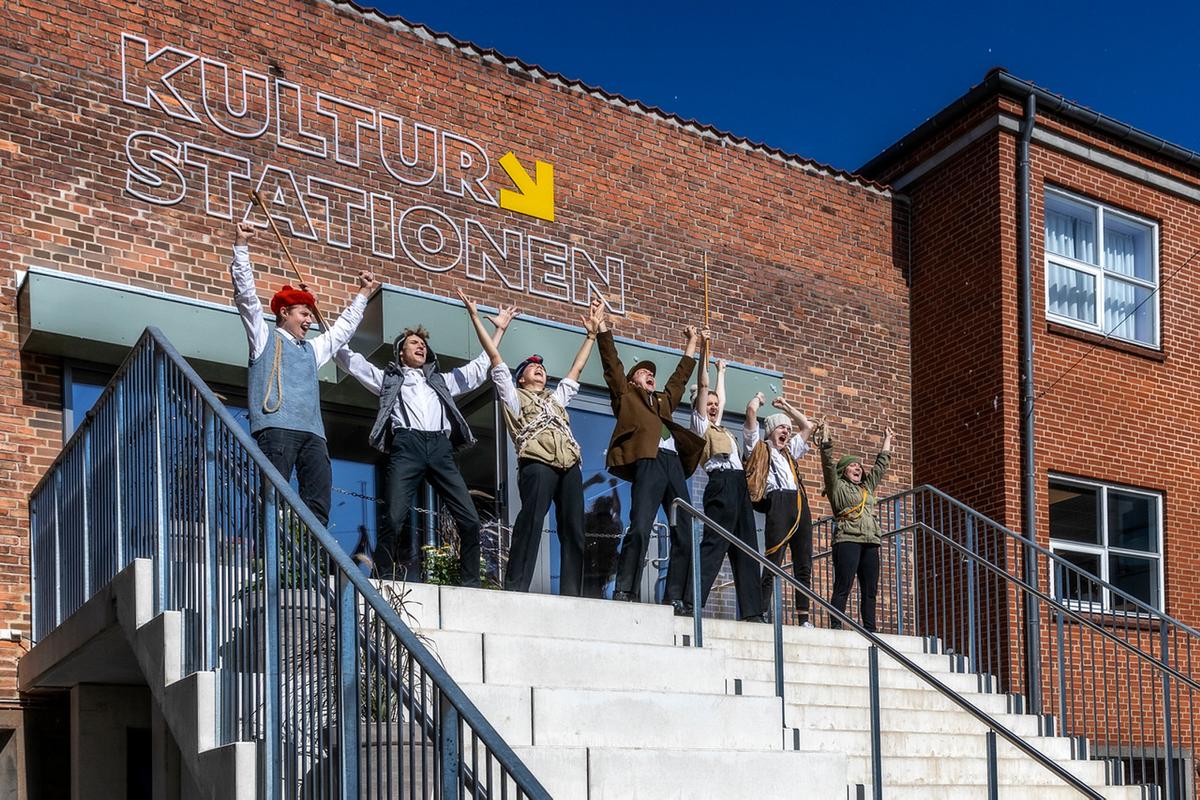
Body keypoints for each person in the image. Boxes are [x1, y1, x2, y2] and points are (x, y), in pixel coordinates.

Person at [334, 300, 516, 586]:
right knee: (394, 518)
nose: (421, 347)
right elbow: (350, 361)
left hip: (440, 448)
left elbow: (480, 367)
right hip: (407, 446)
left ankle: (470, 584)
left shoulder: (442, 381)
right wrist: (331, 331)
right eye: (414, 343)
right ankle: (382, 579)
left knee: (469, 520)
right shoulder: (388, 380)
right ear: (400, 352)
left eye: (423, 344)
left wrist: (500, 331)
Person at [230, 220, 377, 528]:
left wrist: (363, 293)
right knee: (272, 498)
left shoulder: (313, 349)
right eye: (304, 313)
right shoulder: (264, 338)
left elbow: (342, 330)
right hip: (276, 428)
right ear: (284, 312)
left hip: (313, 435)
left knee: (318, 502)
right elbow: (246, 297)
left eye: (310, 314)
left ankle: (315, 554)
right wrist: (241, 247)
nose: (310, 320)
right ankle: (265, 552)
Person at [458, 289, 604, 595]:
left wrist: (591, 336)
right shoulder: (514, 397)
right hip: (537, 462)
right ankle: (516, 586)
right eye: (531, 367)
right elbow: (495, 358)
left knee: (574, 528)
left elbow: (576, 370)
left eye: (542, 368)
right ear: (521, 378)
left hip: (568, 465)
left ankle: (572, 593)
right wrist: (479, 319)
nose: (539, 368)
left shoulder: (556, 399)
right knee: (531, 522)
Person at [596, 317, 704, 612]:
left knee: (685, 530)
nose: (650, 375)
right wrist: (603, 328)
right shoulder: (626, 395)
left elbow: (680, 378)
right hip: (649, 460)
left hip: (673, 463)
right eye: (643, 372)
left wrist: (692, 342)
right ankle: (625, 589)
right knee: (641, 526)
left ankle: (675, 596)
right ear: (633, 380)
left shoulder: (663, 401)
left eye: (652, 373)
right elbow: (612, 364)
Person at [689, 346, 764, 621]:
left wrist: (721, 372)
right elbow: (703, 386)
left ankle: (752, 611)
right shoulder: (699, 426)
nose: (713, 406)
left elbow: (720, 398)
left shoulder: (720, 427)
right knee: (714, 545)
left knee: (747, 548)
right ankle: (693, 600)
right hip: (721, 483)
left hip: (739, 484)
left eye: (714, 404)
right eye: (707, 404)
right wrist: (704, 355)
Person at [813, 421, 893, 633]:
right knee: (844, 585)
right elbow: (827, 464)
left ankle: (870, 629)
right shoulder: (837, 486)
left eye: (859, 466)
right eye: (852, 465)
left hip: (870, 541)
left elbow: (880, 467)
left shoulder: (867, 488)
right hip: (847, 538)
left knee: (870, 589)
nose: (858, 467)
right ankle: (836, 624)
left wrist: (887, 439)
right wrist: (826, 441)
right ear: (843, 471)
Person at [745, 393, 815, 625]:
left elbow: (807, 426)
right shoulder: (759, 448)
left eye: (788, 428)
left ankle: (803, 618)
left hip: (799, 503)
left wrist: (787, 407)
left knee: (803, 563)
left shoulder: (789, 451)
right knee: (773, 558)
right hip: (778, 502)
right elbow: (751, 414)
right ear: (771, 431)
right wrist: (757, 400)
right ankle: (761, 611)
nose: (786, 431)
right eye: (781, 427)